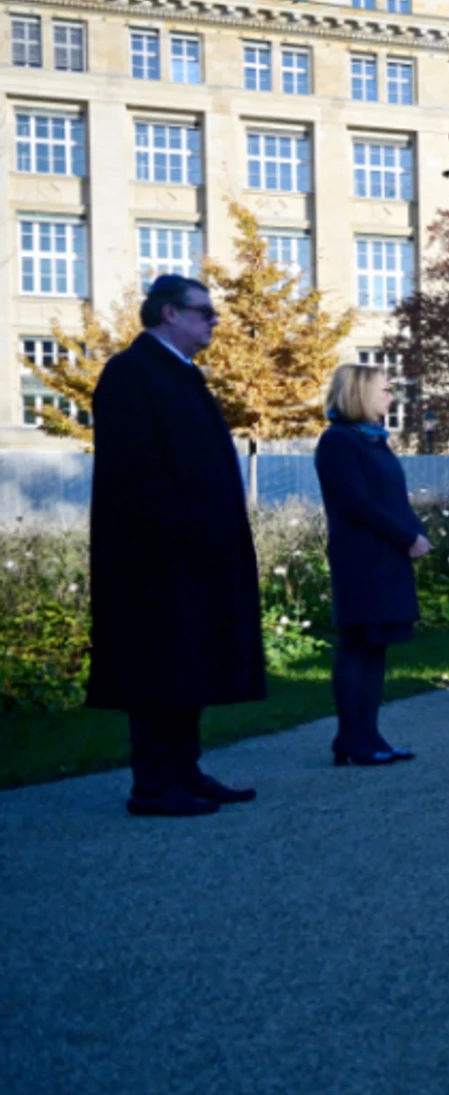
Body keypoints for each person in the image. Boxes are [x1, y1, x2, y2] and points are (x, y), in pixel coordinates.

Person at [84, 274, 266, 814]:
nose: (214, 320)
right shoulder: (131, 374)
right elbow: (136, 470)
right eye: (204, 311)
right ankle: (154, 783)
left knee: (191, 661)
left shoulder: (183, 376)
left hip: (195, 554)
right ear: (169, 314)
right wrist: (181, 528)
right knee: (158, 663)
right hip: (155, 558)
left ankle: (185, 769)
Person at [313, 362, 431, 766]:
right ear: (361, 393)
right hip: (363, 559)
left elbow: (392, 498)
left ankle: (368, 734)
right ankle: (351, 736)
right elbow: (356, 502)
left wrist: (415, 531)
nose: (392, 397)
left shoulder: (373, 441)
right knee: (358, 645)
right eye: (384, 390)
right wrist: (406, 536)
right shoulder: (339, 442)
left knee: (375, 647)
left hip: (387, 557)